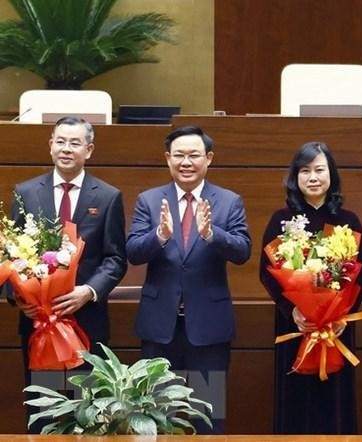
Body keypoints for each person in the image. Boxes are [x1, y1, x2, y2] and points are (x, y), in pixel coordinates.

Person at [126, 125, 251, 434]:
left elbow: (243, 251)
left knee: (207, 417)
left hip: (208, 327)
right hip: (160, 327)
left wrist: (212, 235)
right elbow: (133, 252)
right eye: (179, 155)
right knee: (155, 416)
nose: (186, 162)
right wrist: (160, 235)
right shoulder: (150, 200)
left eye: (194, 155)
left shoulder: (228, 201)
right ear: (168, 159)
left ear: (208, 158)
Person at [10, 115, 127, 430]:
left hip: (86, 320)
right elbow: (9, 253)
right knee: (42, 410)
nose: (66, 149)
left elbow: (115, 258)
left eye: (75, 143)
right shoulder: (25, 192)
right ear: (50, 145)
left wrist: (87, 292)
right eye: (60, 141)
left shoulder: (107, 196)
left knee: (86, 412)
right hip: (38, 321)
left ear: (88, 150)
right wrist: (17, 297)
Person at [259, 141, 362, 434]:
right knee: (294, 400)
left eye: (319, 170)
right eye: (305, 170)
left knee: (334, 399)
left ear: (331, 174)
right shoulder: (282, 221)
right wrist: (293, 309)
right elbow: (267, 273)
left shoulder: (348, 221)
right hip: (295, 326)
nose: (312, 177)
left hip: (337, 330)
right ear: (295, 177)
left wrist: (342, 316)